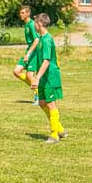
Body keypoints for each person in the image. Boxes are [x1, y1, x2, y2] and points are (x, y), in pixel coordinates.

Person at [31, 13, 67, 144]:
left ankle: (54, 135)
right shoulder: (41, 39)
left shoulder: (46, 40)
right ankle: (60, 128)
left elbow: (46, 61)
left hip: (50, 77)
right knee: (42, 103)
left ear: (39, 24)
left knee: (51, 104)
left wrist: (37, 78)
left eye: (35, 23)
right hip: (43, 76)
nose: (34, 25)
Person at [12, 5, 41, 103]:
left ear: (28, 13)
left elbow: (37, 40)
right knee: (16, 71)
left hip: (34, 52)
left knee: (29, 75)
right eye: (20, 13)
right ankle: (37, 88)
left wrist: (28, 54)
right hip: (29, 50)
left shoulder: (32, 24)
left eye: (23, 13)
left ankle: (39, 95)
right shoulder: (26, 24)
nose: (21, 14)